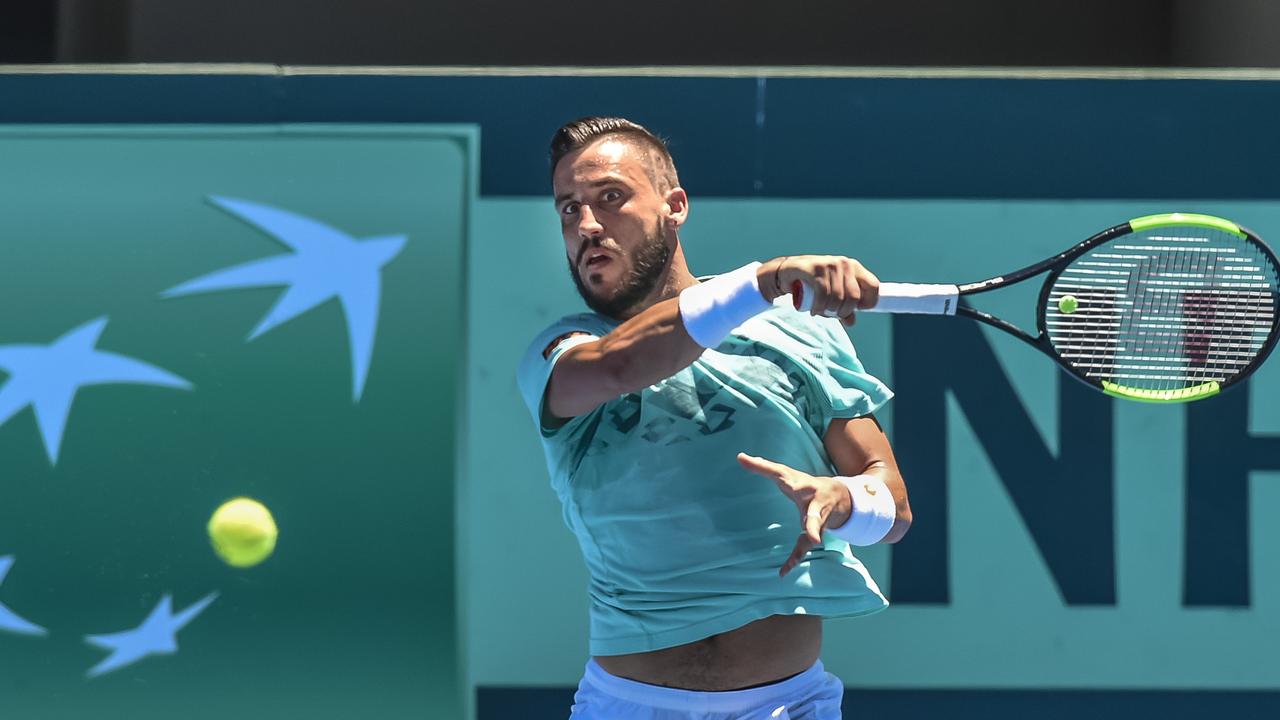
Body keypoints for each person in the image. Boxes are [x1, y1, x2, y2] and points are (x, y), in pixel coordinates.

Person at [517, 116, 912, 719]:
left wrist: (846, 500)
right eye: (568, 209)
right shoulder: (565, 351)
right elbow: (622, 367)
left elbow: (894, 511)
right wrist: (763, 279)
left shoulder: (799, 331)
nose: (588, 226)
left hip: (790, 705)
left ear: (675, 206)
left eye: (610, 198)